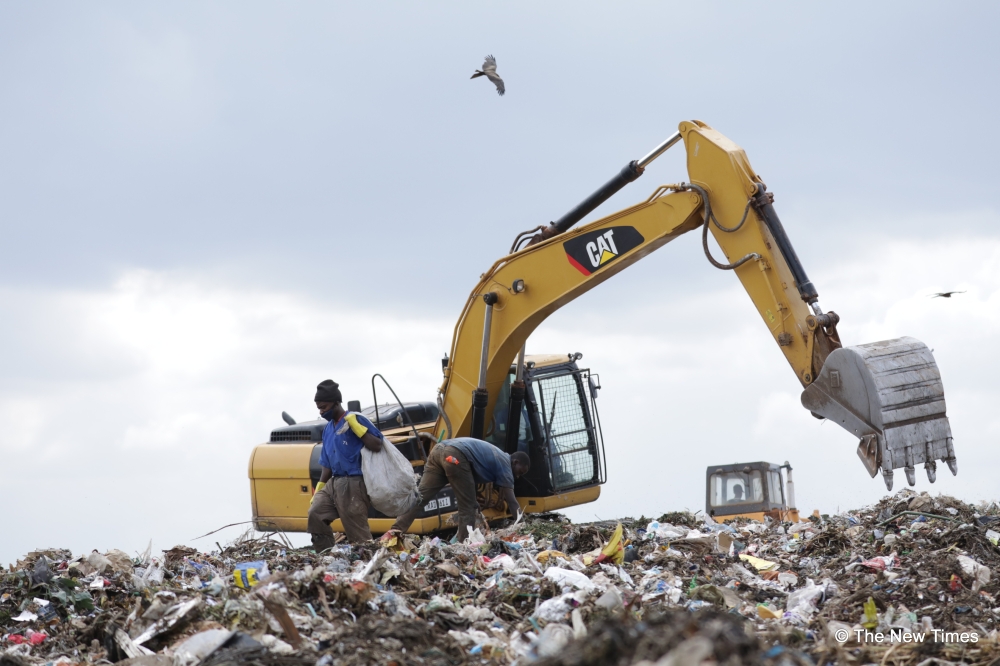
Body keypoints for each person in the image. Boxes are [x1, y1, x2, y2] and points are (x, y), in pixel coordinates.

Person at [388, 437, 530, 541]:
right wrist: (523, 526)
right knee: (467, 507)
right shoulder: (505, 464)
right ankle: (462, 546)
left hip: (439, 450)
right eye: (520, 472)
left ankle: (393, 533)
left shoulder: (496, 454)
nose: (517, 476)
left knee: (420, 498)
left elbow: (469, 480)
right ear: (515, 462)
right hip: (454, 456)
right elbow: (511, 502)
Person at [307, 379, 384, 549]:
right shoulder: (328, 429)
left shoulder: (355, 419)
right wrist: (320, 486)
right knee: (316, 513)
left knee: (358, 534)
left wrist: (357, 428)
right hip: (334, 482)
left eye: (324, 407)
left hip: (354, 483)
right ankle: (326, 554)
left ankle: (370, 563)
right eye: (319, 408)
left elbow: (377, 445)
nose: (321, 412)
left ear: (335, 403)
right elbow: (326, 462)